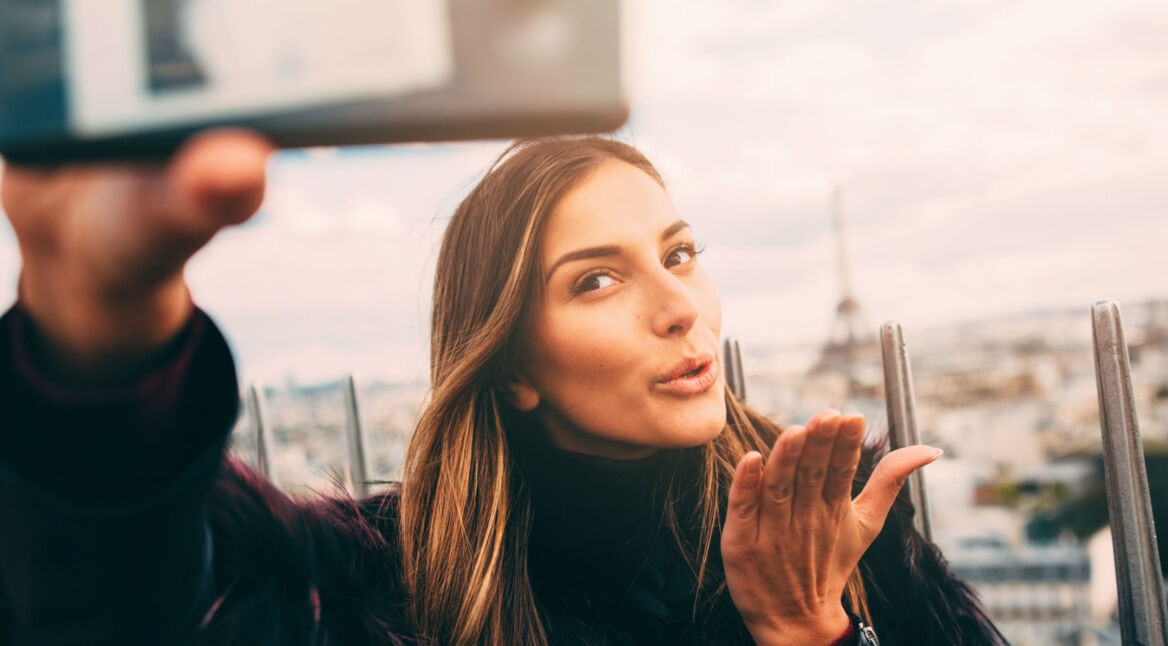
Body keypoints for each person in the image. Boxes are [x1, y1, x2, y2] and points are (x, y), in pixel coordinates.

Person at [0, 131, 1004, 645]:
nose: (679, 307)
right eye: (597, 279)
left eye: (681, 252)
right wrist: (101, 328)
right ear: (511, 364)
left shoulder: (835, 526)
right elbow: (128, 593)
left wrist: (814, 631)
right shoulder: (368, 588)